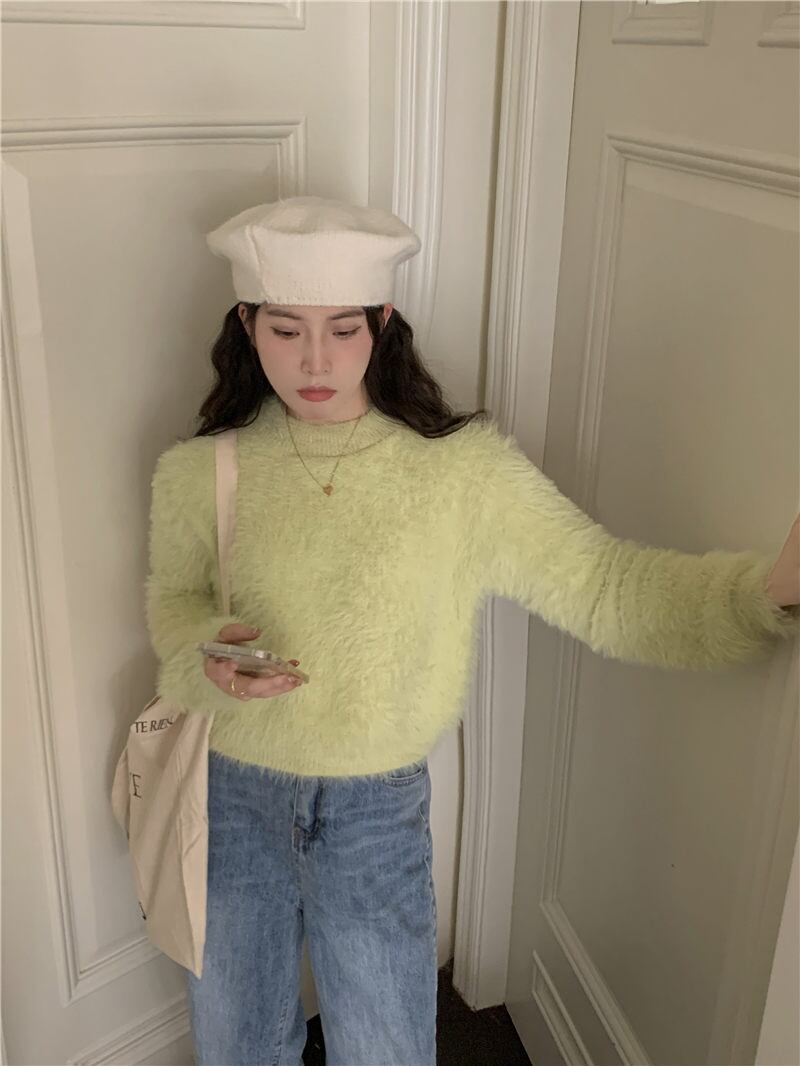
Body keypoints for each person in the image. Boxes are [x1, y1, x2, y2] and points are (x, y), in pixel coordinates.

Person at [144, 195, 800, 1066]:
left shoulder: (460, 471)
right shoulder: (202, 469)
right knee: (236, 1046)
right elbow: (172, 606)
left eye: (343, 329)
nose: (314, 360)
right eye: (285, 329)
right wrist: (213, 659)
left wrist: (762, 593)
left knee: (385, 1048)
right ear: (246, 326)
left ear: (383, 322)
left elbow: (605, 587)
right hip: (231, 794)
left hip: (373, 811)